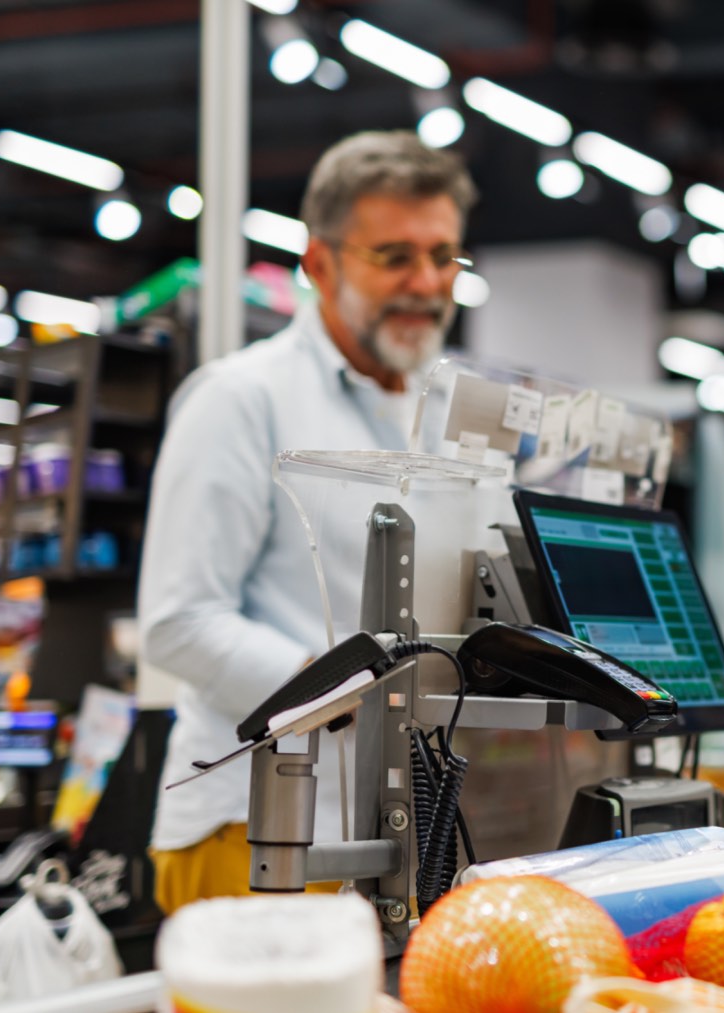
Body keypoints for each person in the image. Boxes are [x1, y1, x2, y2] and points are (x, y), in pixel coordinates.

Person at [140, 131, 475, 914]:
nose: (427, 283)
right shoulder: (241, 399)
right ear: (319, 263)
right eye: (395, 256)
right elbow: (178, 621)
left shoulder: (442, 417)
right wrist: (340, 687)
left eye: (443, 256)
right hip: (257, 832)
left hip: (403, 832)